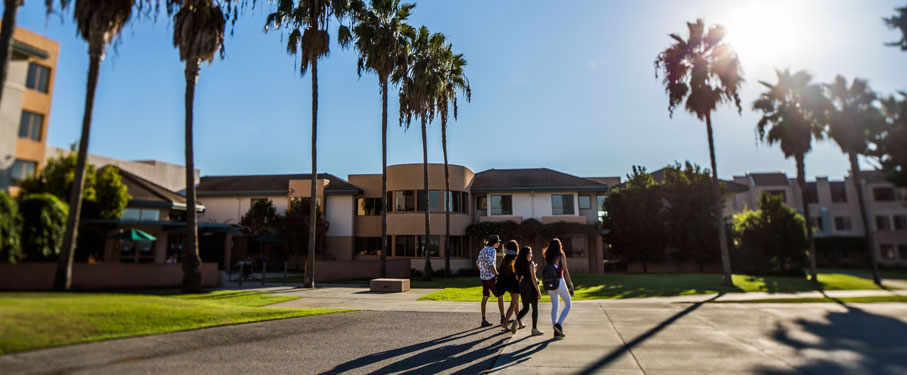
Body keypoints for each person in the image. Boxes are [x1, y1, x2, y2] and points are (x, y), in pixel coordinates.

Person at [544, 238, 574, 338]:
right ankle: (558, 325)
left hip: (550, 284)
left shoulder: (548, 256)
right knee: (568, 304)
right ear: (559, 246)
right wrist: (571, 285)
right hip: (559, 282)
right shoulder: (560, 255)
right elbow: (565, 271)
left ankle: (556, 331)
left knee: (555, 306)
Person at [476, 234, 505, 327]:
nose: (499, 243)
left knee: (485, 297)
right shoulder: (492, 250)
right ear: (495, 242)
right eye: (498, 242)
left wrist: (482, 271)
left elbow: (477, 263)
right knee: (500, 295)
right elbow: (491, 264)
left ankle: (483, 319)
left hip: (483, 277)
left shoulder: (483, 250)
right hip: (491, 277)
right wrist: (497, 274)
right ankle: (503, 317)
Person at [514, 246, 543, 336]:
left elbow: (519, 277)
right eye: (530, 253)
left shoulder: (518, 264)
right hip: (530, 287)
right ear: (526, 255)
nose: (532, 254)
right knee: (535, 308)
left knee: (526, 308)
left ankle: (517, 320)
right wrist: (538, 291)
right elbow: (533, 279)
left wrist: (533, 271)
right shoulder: (530, 263)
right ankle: (534, 329)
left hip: (522, 286)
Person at [498, 240, 524, 332]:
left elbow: (502, 272)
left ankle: (519, 323)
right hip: (515, 284)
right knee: (513, 304)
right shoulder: (517, 257)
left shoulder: (505, 258)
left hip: (508, 284)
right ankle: (505, 323)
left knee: (515, 304)